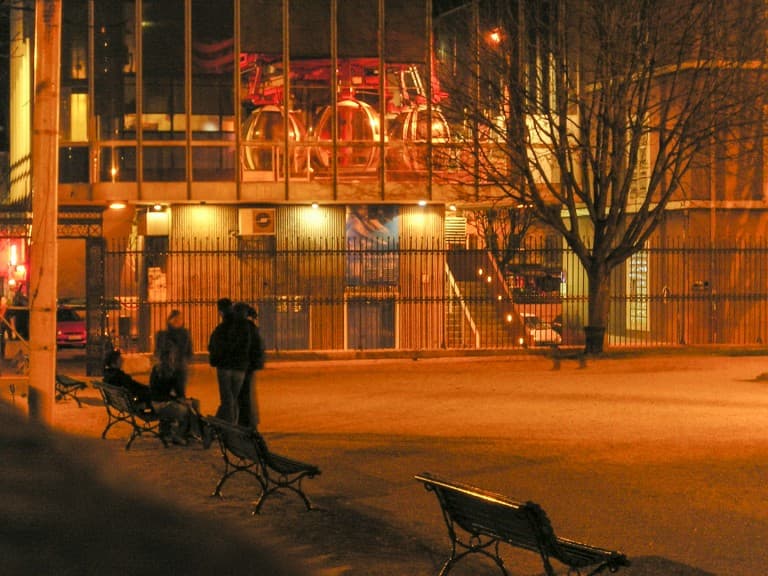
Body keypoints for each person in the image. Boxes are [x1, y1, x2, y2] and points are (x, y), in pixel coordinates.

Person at [208, 297, 251, 423]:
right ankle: (227, 424)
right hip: (240, 367)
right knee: (233, 399)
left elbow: (213, 346)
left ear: (221, 312)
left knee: (227, 400)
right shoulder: (244, 326)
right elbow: (247, 346)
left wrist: (215, 359)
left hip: (225, 367)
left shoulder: (221, 328)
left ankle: (227, 427)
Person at [233, 303, 266, 429]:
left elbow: (250, 347)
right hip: (248, 365)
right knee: (245, 394)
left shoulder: (244, 327)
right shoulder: (250, 327)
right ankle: (248, 421)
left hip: (244, 366)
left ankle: (246, 422)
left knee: (243, 394)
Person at [154, 310, 193, 397]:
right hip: (166, 367)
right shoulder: (162, 335)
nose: (178, 321)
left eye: (180, 319)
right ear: (169, 320)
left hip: (180, 367)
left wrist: (186, 362)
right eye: (175, 319)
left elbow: (188, 350)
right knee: (164, 392)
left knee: (180, 392)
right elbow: (157, 351)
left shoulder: (185, 333)